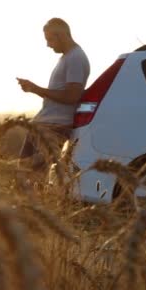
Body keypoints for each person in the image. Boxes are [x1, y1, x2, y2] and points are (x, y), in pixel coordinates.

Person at [15, 18, 90, 187]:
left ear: (62, 35)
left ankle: (33, 210)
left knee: (31, 175)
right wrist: (33, 89)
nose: (48, 45)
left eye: (50, 39)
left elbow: (72, 96)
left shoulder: (76, 58)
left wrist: (36, 89)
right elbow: (60, 95)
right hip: (46, 124)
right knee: (27, 173)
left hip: (54, 126)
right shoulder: (67, 58)